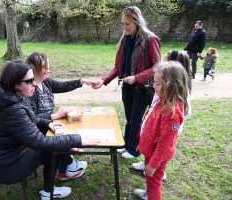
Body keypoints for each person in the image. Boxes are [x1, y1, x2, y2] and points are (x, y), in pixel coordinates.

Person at [0, 60, 101, 200]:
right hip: (3, 168)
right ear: (15, 84)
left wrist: (48, 123)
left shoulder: (12, 95)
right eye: (29, 81)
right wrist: (78, 139)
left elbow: (30, 118)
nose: (34, 84)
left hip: (7, 156)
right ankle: (49, 192)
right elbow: (40, 143)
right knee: (52, 148)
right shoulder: (12, 109)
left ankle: (67, 168)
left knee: (54, 138)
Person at [93, 6, 161, 159]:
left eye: (127, 24)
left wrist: (137, 77)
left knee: (136, 120)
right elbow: (118, 67)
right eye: (122, 24)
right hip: (127, 87)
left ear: (137, 22)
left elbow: (157, 66)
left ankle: (134, 149)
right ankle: (126, 145)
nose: (124, 27)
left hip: (143, 87)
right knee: (129, 119)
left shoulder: (150, 39)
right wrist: (103, 81)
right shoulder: (125, 41)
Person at [26, 52, 96, 180]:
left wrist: (83, 81)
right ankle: (66, 169)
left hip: (50, 122)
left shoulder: (45, 82)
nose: (48, 71)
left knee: (69, 128)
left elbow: (63, 86)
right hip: (41, 128)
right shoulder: (30, 89)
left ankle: (68, 161)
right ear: (34, 69)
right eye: (45, 68)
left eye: (48, 67)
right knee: (62, 136)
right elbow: (33, 118)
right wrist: (55, 115)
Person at [132, 50, 192, 180]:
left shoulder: (172, 111)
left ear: (171, 85)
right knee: (151, 181)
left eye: (158, 84)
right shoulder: (163, 100)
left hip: (156, 153)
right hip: (152, 147)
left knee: (154, 183)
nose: (154, 86)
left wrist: (153, 164)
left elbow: (166, 141)